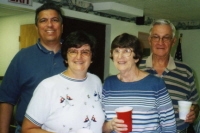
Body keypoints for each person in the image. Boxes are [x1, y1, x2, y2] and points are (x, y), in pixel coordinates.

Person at [0, 3, 66, 133]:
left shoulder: (75, 56)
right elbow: (6, 100)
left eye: (54, 20)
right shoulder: (22, 57)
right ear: (36, 27)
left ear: (62, 26)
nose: (49, 25)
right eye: (43, 20)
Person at [21, 31, 105, 133]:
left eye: (85, 52)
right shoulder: (47, 87)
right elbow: (27, 129)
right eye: (73, 51)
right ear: (66, 57)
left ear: (92, 57)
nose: (79, 56)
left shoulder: (96, 81)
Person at [102, 33, 176, 132]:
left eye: (126, 51)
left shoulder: (155, 84)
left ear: (136, 57)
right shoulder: (108, 83)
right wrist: (110, 125)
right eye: (116, 51)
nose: (120, 56)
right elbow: (98, 125)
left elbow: (169, 126)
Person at [139, 19, 200, 132]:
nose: (160, 42)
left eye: (166, 37)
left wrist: (194, 112)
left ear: (173, 41)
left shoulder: (186, 71)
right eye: (156, 37)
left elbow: (195, 104)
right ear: (150, 40)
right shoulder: (136, 67)